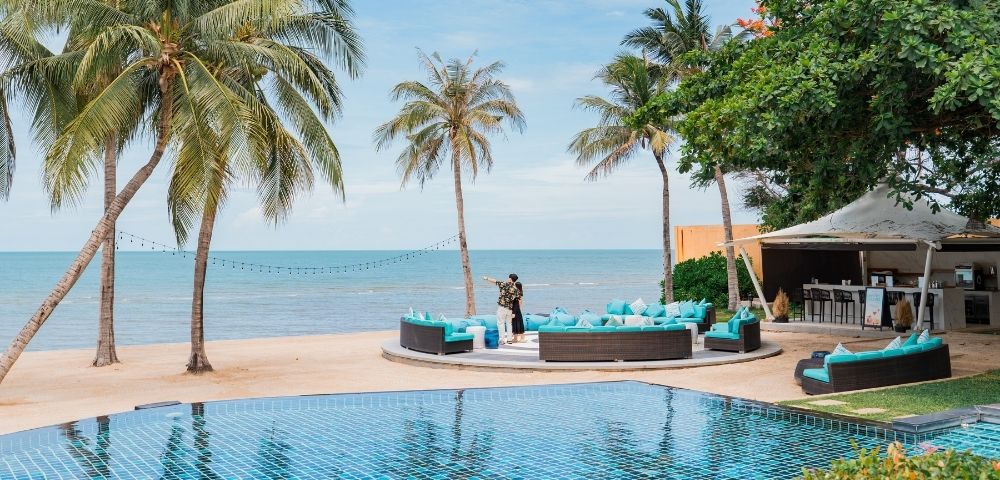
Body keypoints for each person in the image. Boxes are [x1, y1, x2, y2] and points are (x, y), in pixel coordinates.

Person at [482, 273, 521, 345]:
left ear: (510, 279)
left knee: (500, 323)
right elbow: (517, 302)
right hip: (510, 309)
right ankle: (509, 340)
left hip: (502, 307)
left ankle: (502, 340)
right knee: (509, 324)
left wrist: (486, 278)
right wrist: (514, 312)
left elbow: (495, 281)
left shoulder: (504, 284)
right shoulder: (516, 289)